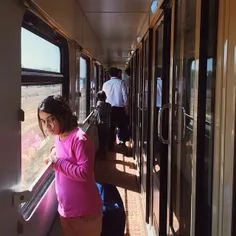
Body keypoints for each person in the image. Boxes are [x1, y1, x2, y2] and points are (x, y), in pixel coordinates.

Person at [37, 95, 103, 236]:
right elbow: (63, 151)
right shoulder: (59, 136)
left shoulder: (80, 139)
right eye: (43, 121)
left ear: (63, 116)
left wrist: (57, 162)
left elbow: (84, 173)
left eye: (51, 120)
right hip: (65, 210)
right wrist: (54, 151)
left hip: (85, 213)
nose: (47, 126)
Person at [102, 67, 128, 149]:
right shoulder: (121, 83)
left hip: (108, 108)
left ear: (109, 75)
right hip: (120, 108)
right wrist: (126, 106)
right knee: (121, 126)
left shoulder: (105, 84)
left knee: (111, 127)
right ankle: (122, 142)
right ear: (118, 74)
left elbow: (104, 97)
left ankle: (110, 145)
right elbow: (125, 96)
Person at [94, 91, 111, 159]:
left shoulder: (98, 106)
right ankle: (104, 154)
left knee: (100, 139)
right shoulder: (109, 105)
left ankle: (101, 155)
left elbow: (96, 115)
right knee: (105, 139)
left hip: (100, 124)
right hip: (107, 124)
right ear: (105, 97)